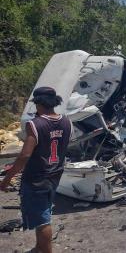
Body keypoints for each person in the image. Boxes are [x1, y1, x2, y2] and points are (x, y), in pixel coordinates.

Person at [0, 87, 72, 253]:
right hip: (55, 175)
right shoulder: (66, 121)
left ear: (39, 103)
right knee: (44, 211)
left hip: (36, 178)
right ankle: (40, 248)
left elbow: (25, 156)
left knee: (42, 220)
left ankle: (45, 251)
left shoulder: (35, 124)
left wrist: (7, 179)